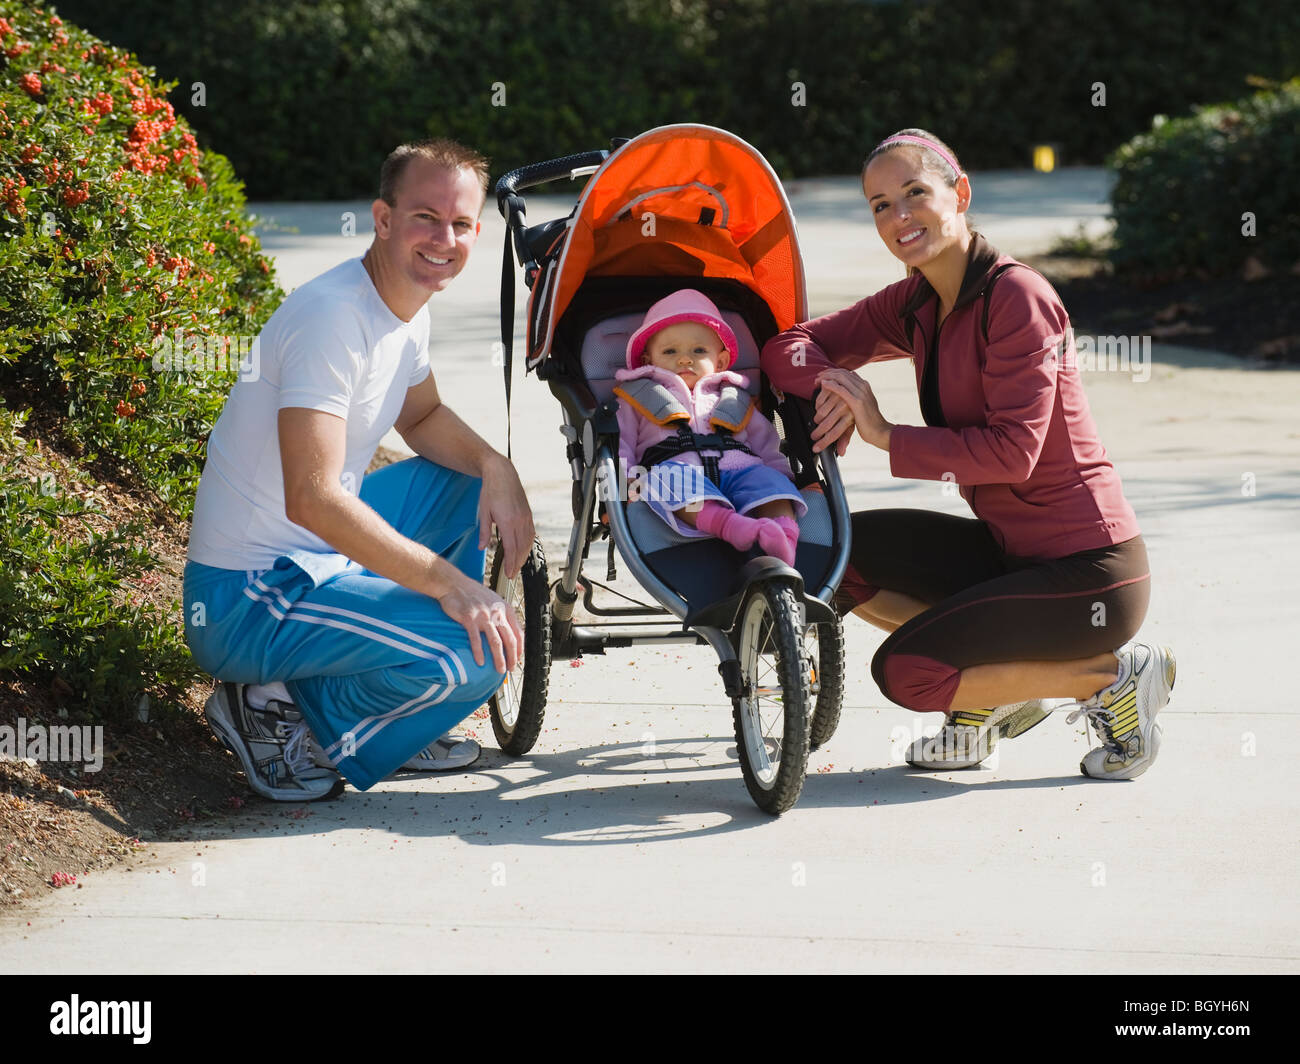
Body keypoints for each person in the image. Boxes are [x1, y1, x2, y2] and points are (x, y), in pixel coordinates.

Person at [760, 128, 1176, 779]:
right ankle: (993, 698)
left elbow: (1014, 455)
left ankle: (1113, 678)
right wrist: (836, 385)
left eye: (914, 193)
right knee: (838, 554)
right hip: (1010, 558)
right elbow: (789, 347)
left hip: (1090, 573)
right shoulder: (920, 299)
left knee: (908, 673)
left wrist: (884, 433)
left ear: (960, 193)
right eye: (879, 205)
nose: (898, 216)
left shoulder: (1017, 299)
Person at [183, 138, 533, 801]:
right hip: (246, 600)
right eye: (424, 217)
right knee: (473, 653)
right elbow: (312, 498)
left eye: (459, 224)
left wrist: (498, 467)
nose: (443, 238)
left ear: (476, 233)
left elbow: (423, 419)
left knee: (465, 489)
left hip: (311, 566)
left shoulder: (404, 308)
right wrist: (448, 584)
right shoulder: (331, 318)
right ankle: (269, 708)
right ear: (382, 219)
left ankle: (388, 722)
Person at [614, 289, 806, 566]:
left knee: (771, 483)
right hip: (676, 471)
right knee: (664, 480)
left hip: (741, 469)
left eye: (699, 350)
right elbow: (621, 444)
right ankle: (731, 526)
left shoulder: (734, 397)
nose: (684, 359)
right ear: (648, 361)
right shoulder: (637, 396)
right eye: (670, 351)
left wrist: (780, 474)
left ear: (721, 362)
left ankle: (784, 538)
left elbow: (766, 442)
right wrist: (624, 487)